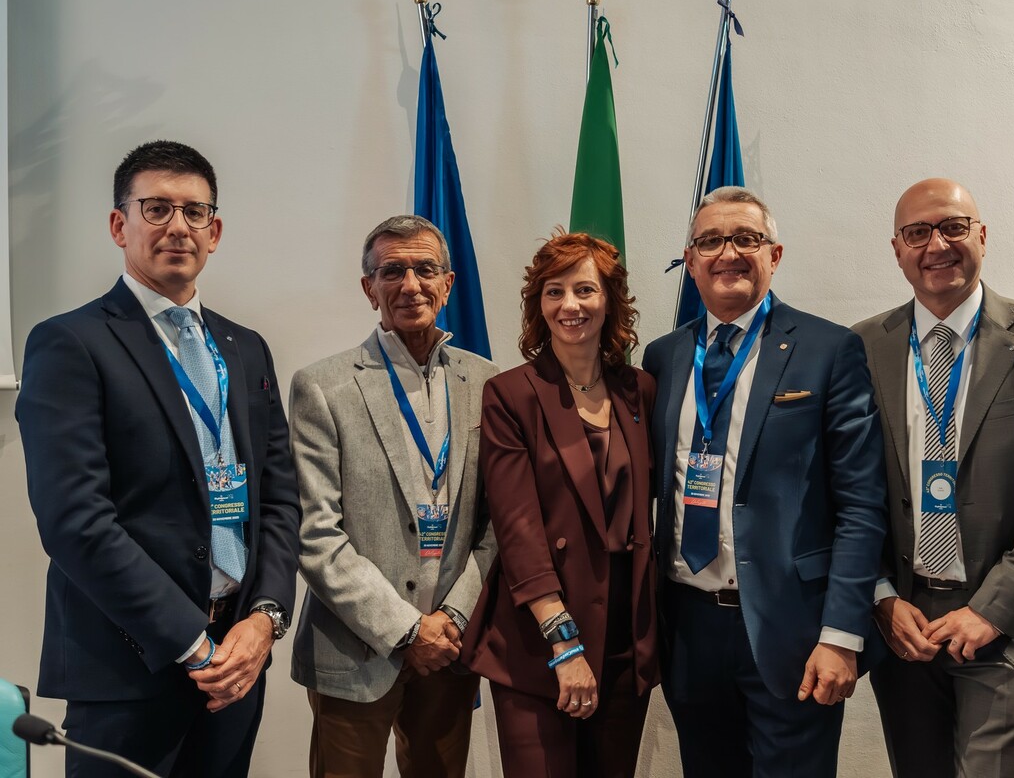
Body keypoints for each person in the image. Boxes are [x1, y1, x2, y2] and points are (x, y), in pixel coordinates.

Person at [15, 140, 301, 777]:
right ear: (119, 225)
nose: (178, 226)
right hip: (128, 665)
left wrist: (265, 617)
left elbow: (280, 499)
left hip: (237, 660)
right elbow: (75, 521)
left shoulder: (246, 348)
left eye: (195, 212)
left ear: (214, 232)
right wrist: (191, 642)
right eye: (157, 209)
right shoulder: (70, 343)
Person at [853, 178, 1014, 778]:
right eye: (918, 232)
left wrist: (992, 610)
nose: (937, 244)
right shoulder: (860, 347)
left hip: (1008, 625)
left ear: (982, 236)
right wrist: (881, 598)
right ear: (897, 249)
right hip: (906, 626)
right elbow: (848, 488)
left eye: (953, 227)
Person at [642, 186, 888, 778]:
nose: (728, 253)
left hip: (793, 628)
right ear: (690, 261)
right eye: (710, 241)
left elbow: (861, 504)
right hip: (689, 626)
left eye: (745, 238)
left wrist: (842, 634)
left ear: (774, 255)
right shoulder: (663, 357)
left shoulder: (829, 349)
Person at [288, 214, 498, 777]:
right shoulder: (322, 387)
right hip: (354, 649)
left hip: (451, 646)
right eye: (392, 271)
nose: (411, 285)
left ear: (448, 284)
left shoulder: (487, 383)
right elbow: (315, 534)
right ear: (369, 287)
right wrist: (405, 630)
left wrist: (452, 617)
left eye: (425, 269)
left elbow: (496, 524)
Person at [460, 232, 658, 778]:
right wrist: (563, 643)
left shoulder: (639, 390)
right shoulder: (511, 394)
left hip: (625, 631)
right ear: (538, 304)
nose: (570, 304)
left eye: (585, 289)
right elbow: (517, 525)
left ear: (609, 300)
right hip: (539, 635)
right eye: (554, 291)